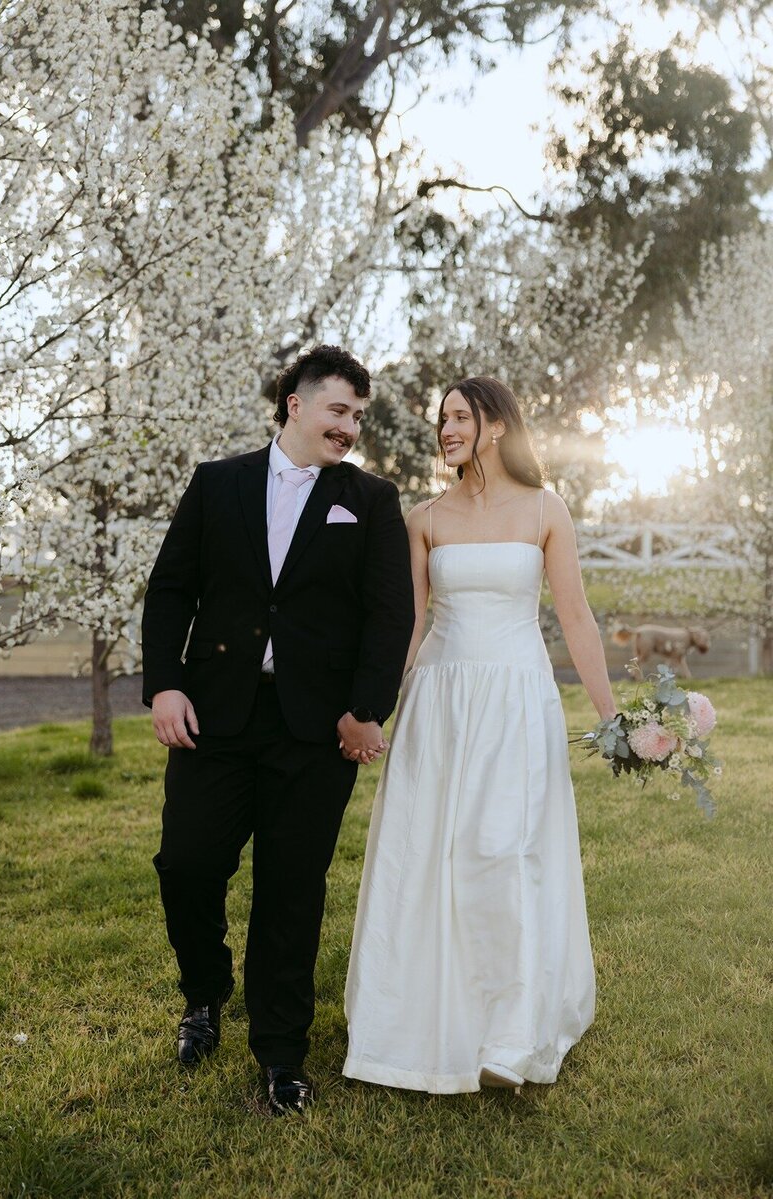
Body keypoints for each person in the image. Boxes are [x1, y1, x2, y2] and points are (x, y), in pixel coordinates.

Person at [141, 345, 414, 1115]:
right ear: (295, 403)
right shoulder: (217, 483)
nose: (351, 427)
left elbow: (389, 614)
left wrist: (365, 709)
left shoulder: (372, 499)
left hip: (315, 730)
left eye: (359, 416)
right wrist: (164, 682)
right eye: (339, 410)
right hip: (215, 715)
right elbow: (171, 589)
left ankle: (281, 1053)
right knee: (186, 863)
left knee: (291, 891)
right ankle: (204, 992)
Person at [343, 376, 617, 1094]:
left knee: (506, 849)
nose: (447, 428)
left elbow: (577, 618)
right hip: (441, 699)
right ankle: (418, 1019)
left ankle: (512, 1033)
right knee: (433, 853)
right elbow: (405, 625)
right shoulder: (425, 518)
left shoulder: (546, 509)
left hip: (519, 698)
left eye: (460, 416)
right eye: (443, 419)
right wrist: (372, 707)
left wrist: (610, 714)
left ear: (496, 426)